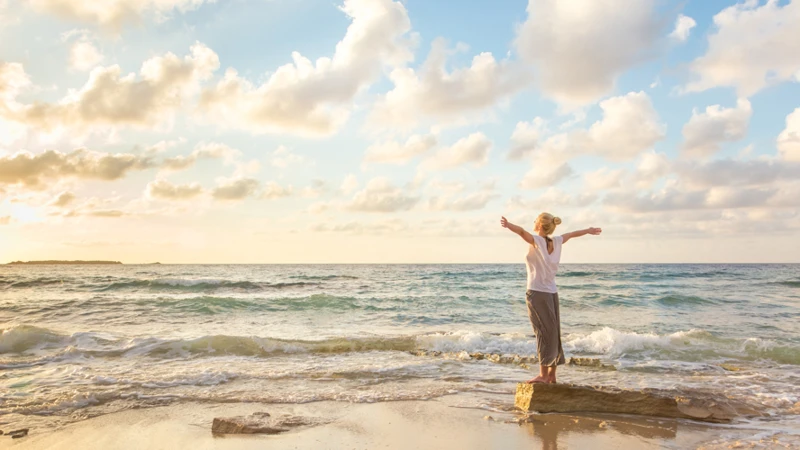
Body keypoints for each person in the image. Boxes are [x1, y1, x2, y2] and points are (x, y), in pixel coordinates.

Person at [500, 213, 601, 383]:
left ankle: (543, 375)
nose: (533, 223)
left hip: (537, 293)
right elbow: (572, 234)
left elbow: (521, 232)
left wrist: (508, 225)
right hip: (552, 293)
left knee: (542, 333)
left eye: (535, 221)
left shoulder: (537, 241)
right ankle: (552, 375)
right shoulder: (557, 241)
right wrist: (589, 230)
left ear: (539, 225)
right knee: (553, 333)